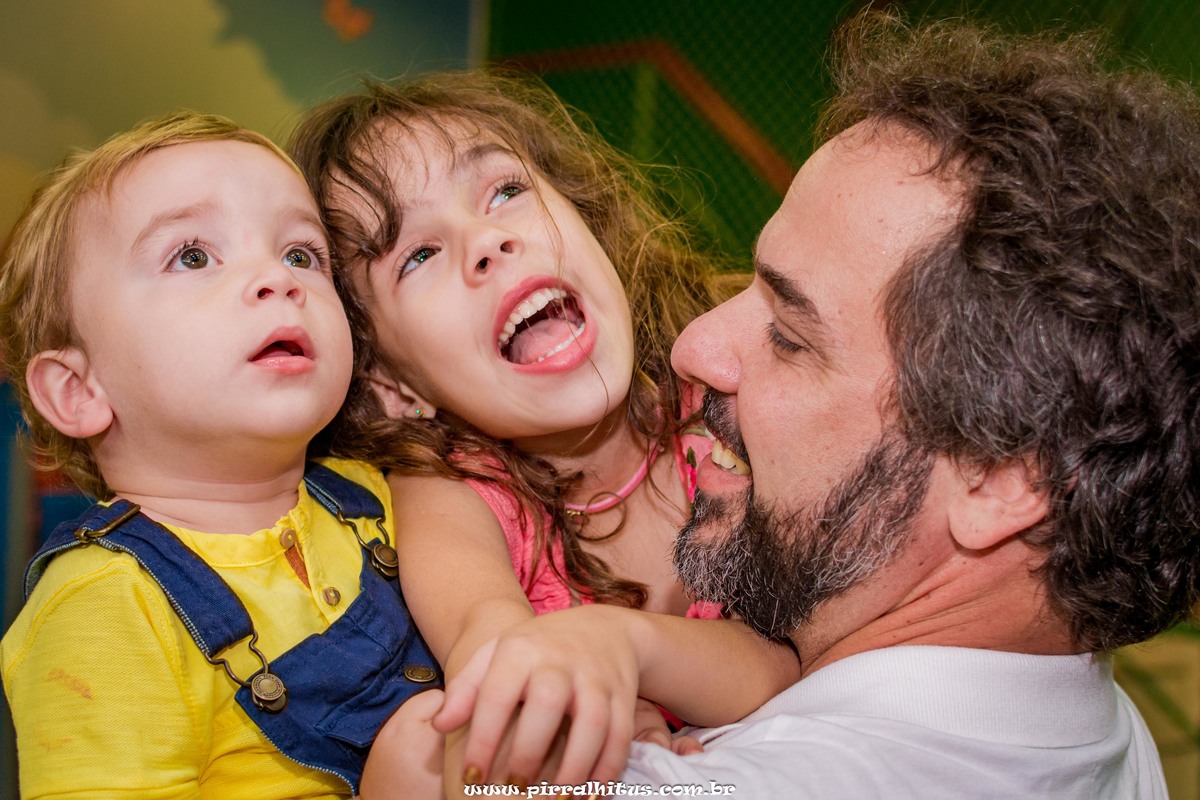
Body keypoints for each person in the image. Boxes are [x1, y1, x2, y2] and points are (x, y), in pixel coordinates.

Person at [438, 12, 1200, 799]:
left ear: (1000, 478)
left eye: (791, 336)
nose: (692, 347)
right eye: (748, 285)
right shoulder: (1093, 724)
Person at [288, 72, 800, 793]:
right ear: (392, 386)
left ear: (586, 218)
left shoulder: (718, 393)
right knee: (416, 754)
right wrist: (572, 707)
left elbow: (785, 661)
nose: (488, 242)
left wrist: (622, 653)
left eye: (504, 192)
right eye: (419, 255)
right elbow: (487, 638)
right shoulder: (453, 490)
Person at [0, 111, 441, 799]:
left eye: (301, 253)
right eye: (193, 256)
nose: (278, 279)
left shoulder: (379, 497)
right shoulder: (107, 609)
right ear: (81, 390)